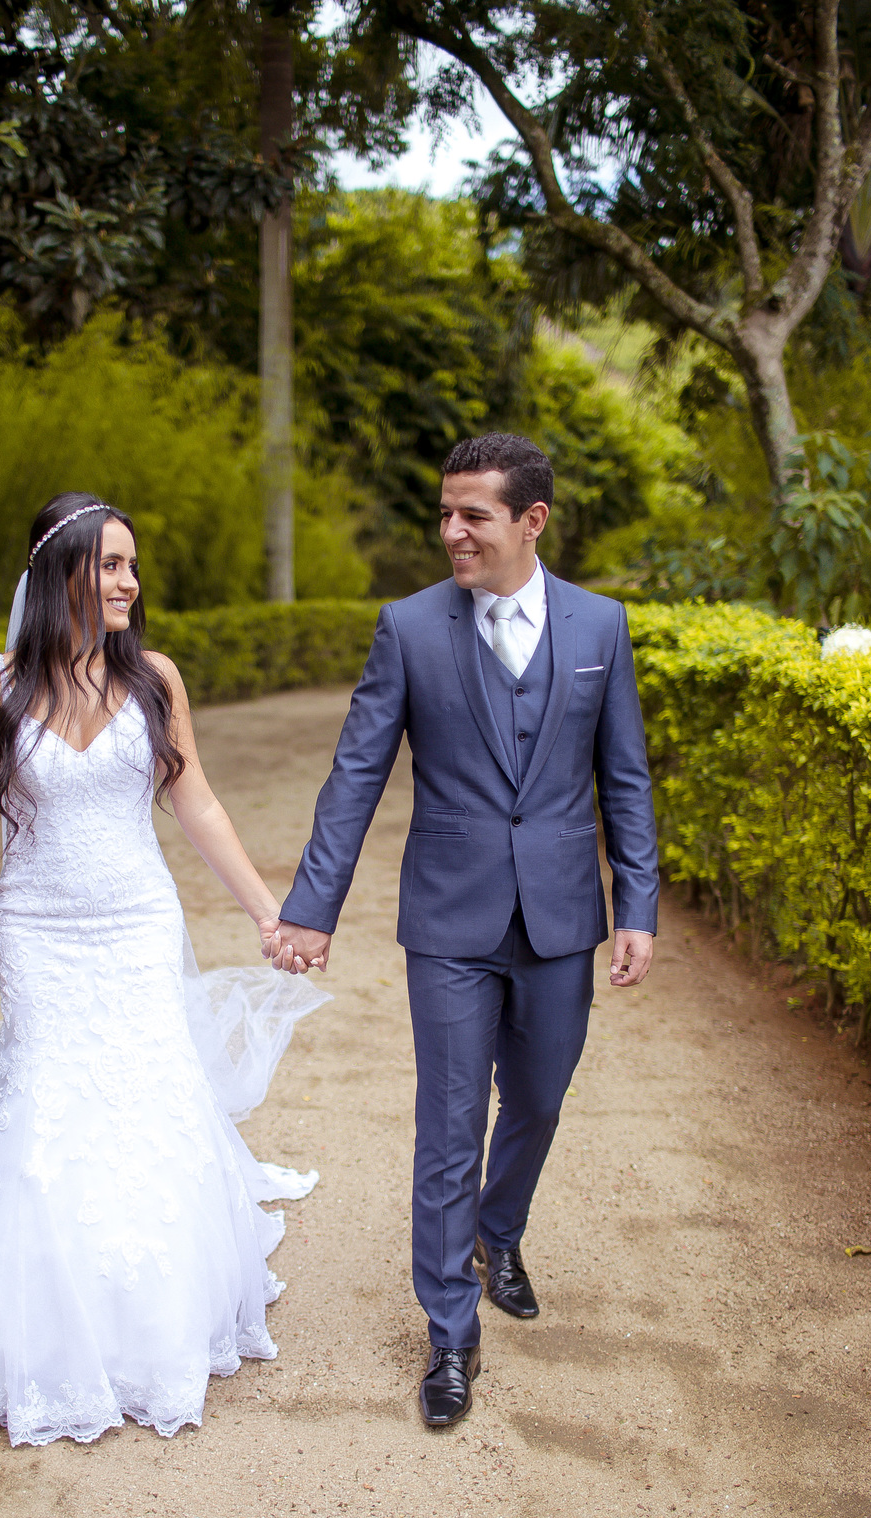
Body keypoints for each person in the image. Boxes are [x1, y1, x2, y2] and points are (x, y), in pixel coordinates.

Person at [0, 492, 326, 1444]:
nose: (131, 582)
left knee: (143, 1092)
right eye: (112, 564)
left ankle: (153, 1301)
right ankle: (46, 1311)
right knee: (49, 1092)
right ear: (60, 572)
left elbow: (195, 804)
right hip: (37, 927)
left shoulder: (155, 680)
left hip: (136, 921)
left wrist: (268, 910)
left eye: (134, 565)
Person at [270, 434, 659, 1428]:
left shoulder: (599, 626)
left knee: (536, 1097)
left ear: (531, 521)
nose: (451, 531)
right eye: (444, 512)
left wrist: (638, 907)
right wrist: (312, 907)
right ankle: (450, 1334)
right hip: (449, 916)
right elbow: (357, 772)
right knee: (450, 1123)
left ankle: (502, 1227)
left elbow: (624, 777)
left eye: (472, 515)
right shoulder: (409, 629)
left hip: (565, 910)